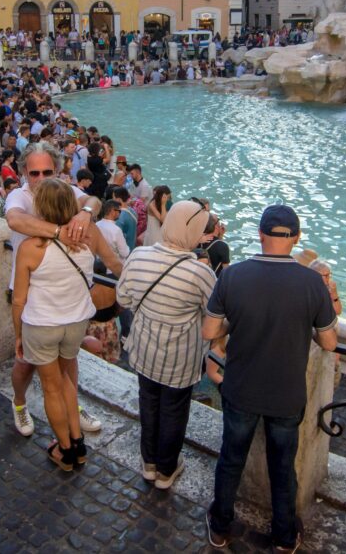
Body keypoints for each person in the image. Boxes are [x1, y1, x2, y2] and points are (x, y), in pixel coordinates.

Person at [203, 204, 338, 551]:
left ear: (260, 234)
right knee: (283, 468)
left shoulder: (233, 275)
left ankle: (219, 527)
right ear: (296, 238)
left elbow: (209, 331)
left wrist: (240, 321)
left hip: (240, 388)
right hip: (286, 395)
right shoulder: (311, 282)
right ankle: (284, 537)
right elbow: (328, 341)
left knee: (231, 459)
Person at [12, 178, 122, 471]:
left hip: (42, 325)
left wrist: (18, 335)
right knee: (67, 380)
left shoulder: (30, 247)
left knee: (52, 387)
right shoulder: (90, 234)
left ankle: (65, 450)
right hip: (76, 322)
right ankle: (78, 443)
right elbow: (115, 264)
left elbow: (19, 300)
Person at [4, 141, 105, 437]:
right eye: (34, 173)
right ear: (24, 172)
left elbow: (94, 201)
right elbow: (15, 219)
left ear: (59, 170)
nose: (40, 179)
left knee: (68, 362)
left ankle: (72, 407)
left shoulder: (67, 191)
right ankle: (19, 403)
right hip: (27, 296)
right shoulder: (17, 196)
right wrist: (60, 232)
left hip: (62, 299)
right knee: (24, 363)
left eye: (47, 171)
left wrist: (85, 212)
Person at [116, 200, 217, 489]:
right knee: (174, 410)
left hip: (144, 349)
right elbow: (214, 316)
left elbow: (123, 299)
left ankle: (149, 463)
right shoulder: (200, 273)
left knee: (148, 403)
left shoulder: (139, 256)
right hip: (179, 359)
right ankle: (166, 469)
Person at [94, 199, 130, 263]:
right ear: (113, 212)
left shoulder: (96, 225)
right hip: (114, 267)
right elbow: (124, 253)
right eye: (119, 211)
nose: (120, 213)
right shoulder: (116, 230)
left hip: (98, 264)